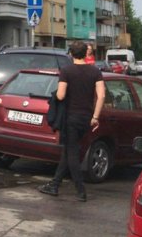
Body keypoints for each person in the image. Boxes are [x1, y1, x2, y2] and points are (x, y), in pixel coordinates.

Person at [38, 40, 105, 202]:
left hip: (70, 118)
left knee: (72, 154)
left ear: (71, 54)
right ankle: (54, 184)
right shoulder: (95, 71)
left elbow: (61, 95)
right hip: (86, 118)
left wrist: (56, 94)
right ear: (85, 53)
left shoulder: (66, 71)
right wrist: (95, 117)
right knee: (68, 151)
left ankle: (80, 190)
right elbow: (101, 96)